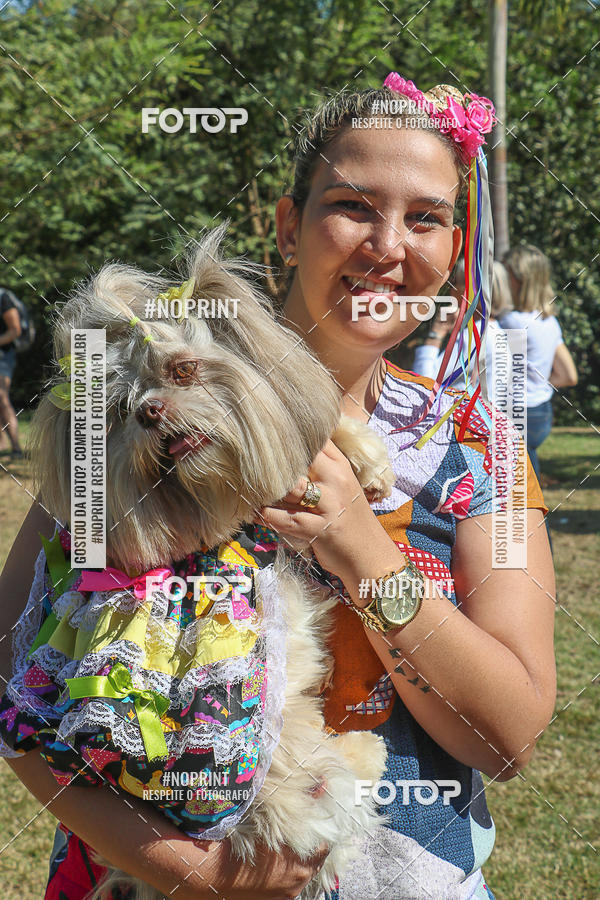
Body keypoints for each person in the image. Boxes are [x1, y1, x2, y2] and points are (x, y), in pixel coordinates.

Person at [1, 74, 556, 900]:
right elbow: (13, 682)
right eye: (354, 205)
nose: (389, 245)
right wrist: (198, 873)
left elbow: (506, 736)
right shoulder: (132, 411)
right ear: (289, 227)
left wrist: (361, 548)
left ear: (454, 247)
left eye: (427, 217)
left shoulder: (485, 453)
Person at [500, 244, 578, 483]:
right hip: (540, 413)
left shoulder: (508, 321)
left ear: (517, 278)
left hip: (513, 413)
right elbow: (569, 376)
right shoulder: (549, 322)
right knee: (527, 475)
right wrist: (536, 383)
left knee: (510, 489)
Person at [412, 258, 513, 398]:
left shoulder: (472, 338)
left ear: (470, 292)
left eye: (454, 283)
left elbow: (423, 384)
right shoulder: (493, 332)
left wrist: (436, 333)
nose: (450, 289)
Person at [0, 287, 24, 458]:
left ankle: (16, 447)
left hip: (3, 357)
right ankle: (2, 446)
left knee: (1, 396)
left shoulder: (2, 298)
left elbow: (15, 330)